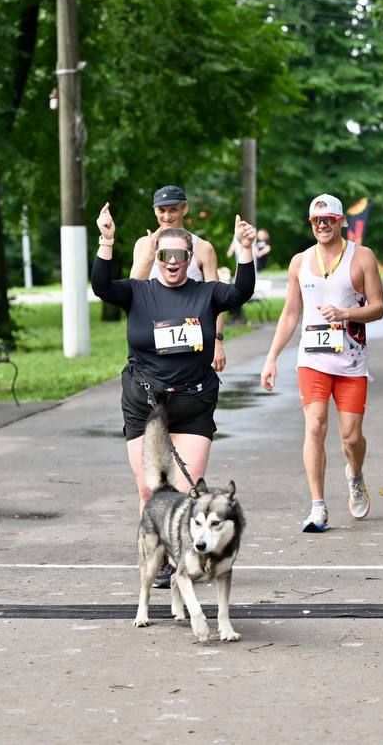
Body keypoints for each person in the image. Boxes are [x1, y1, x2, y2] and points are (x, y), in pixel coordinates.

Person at [92, 202, 257, 583]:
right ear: (156, 257)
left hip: (193, 401)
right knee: (151, 490)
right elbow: (101, 286)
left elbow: (240, 293)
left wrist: (245, 250)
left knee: (183, 491)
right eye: (164, 255)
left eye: (179, 256)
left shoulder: (206, 293)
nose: (171, 262)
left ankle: (180, 555)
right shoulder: (137, 292)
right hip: (144, 402)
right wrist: (106, 240)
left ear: (189, 257)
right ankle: (157, 560)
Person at [260, 194, 383, 532]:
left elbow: (378, 307)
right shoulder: (299, 262)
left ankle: (355, 475)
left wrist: (346, 313)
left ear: (342, 221)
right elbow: (290, 314)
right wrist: (272, 358)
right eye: (317, 220)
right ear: (311, 223)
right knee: (314, 426)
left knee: (351, 438)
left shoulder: (362, 257)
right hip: (312, 359)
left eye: (330, 219)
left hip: (351, 361)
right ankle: (318, 507)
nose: (323, 225)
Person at [131, 186, 229, 372]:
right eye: (162, 210)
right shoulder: (143, 245)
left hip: (191, 343)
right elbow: (131, 291)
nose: (167, 216)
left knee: (188, 396)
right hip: (151, 342)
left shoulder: (202, 248)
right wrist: (148, 256)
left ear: (184, 209)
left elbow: (217, 301)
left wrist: (217, 343)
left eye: (173, 210)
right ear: (154, 211)